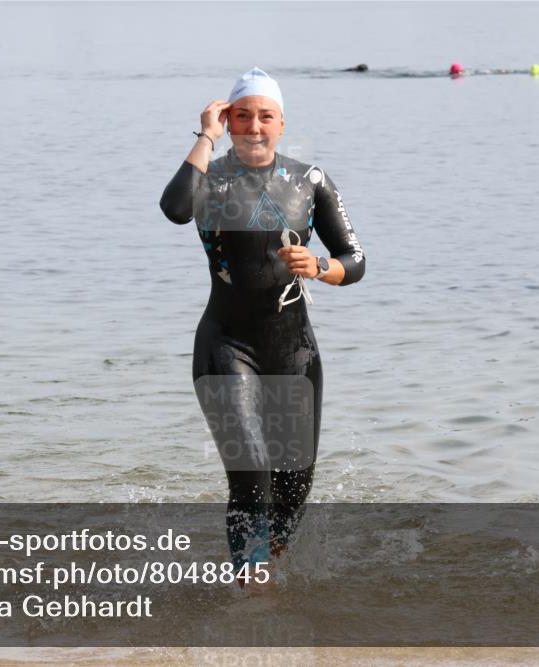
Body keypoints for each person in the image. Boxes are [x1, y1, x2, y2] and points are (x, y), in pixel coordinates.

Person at [159, 67, 365, 582]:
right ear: (229, 122)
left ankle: (267, 562)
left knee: (294, 486)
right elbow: (175, 208)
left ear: (281, 123)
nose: (254, 126)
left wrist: (321, 267)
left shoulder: (309, 180)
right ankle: (251, 588)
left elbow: (355, 259)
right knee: (251, 471)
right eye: (242, 116)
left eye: (265, 116)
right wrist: (204, 134)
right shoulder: (210, 177)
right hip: (227, 346)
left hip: (294, 350)